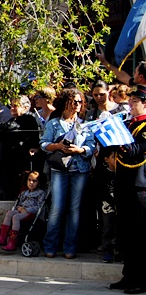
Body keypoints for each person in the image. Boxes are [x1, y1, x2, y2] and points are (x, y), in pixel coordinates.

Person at [40, 88, 95, 259]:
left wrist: (80, 149)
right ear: (66, 102)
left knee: (75, 209)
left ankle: (70, 247)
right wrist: (58, 146)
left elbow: (91, 145)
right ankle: (50, 245)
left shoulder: (84, 124)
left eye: (80, 101)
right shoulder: (54, 123)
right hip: (59, 169)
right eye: (74, 101)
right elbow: (43, 144)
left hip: (79, 169)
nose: (78, 105)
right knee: (57, 208)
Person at [110, 86, 146, 294]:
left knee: (140, 234)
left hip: (139, 185)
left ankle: (142, 279)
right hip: (124, 183)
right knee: (125, 232)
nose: (130, 105)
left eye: (135, 102)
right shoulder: (128, 124)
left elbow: (135, 149)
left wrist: (118, 137)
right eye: (130, 101)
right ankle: (129, 275)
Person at [0, 171, 46, 251]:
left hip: (30, 212)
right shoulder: (24, 193)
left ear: (38, 182)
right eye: (29, 180)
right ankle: (2, 237)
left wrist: (27, 210)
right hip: (21, 210)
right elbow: (19, 203)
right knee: (10, 213)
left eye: (34, 181)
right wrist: (19, 208)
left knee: (16, 217)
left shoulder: (40, 193)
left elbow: (39, 206)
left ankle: (12, 242)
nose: (31, 183)